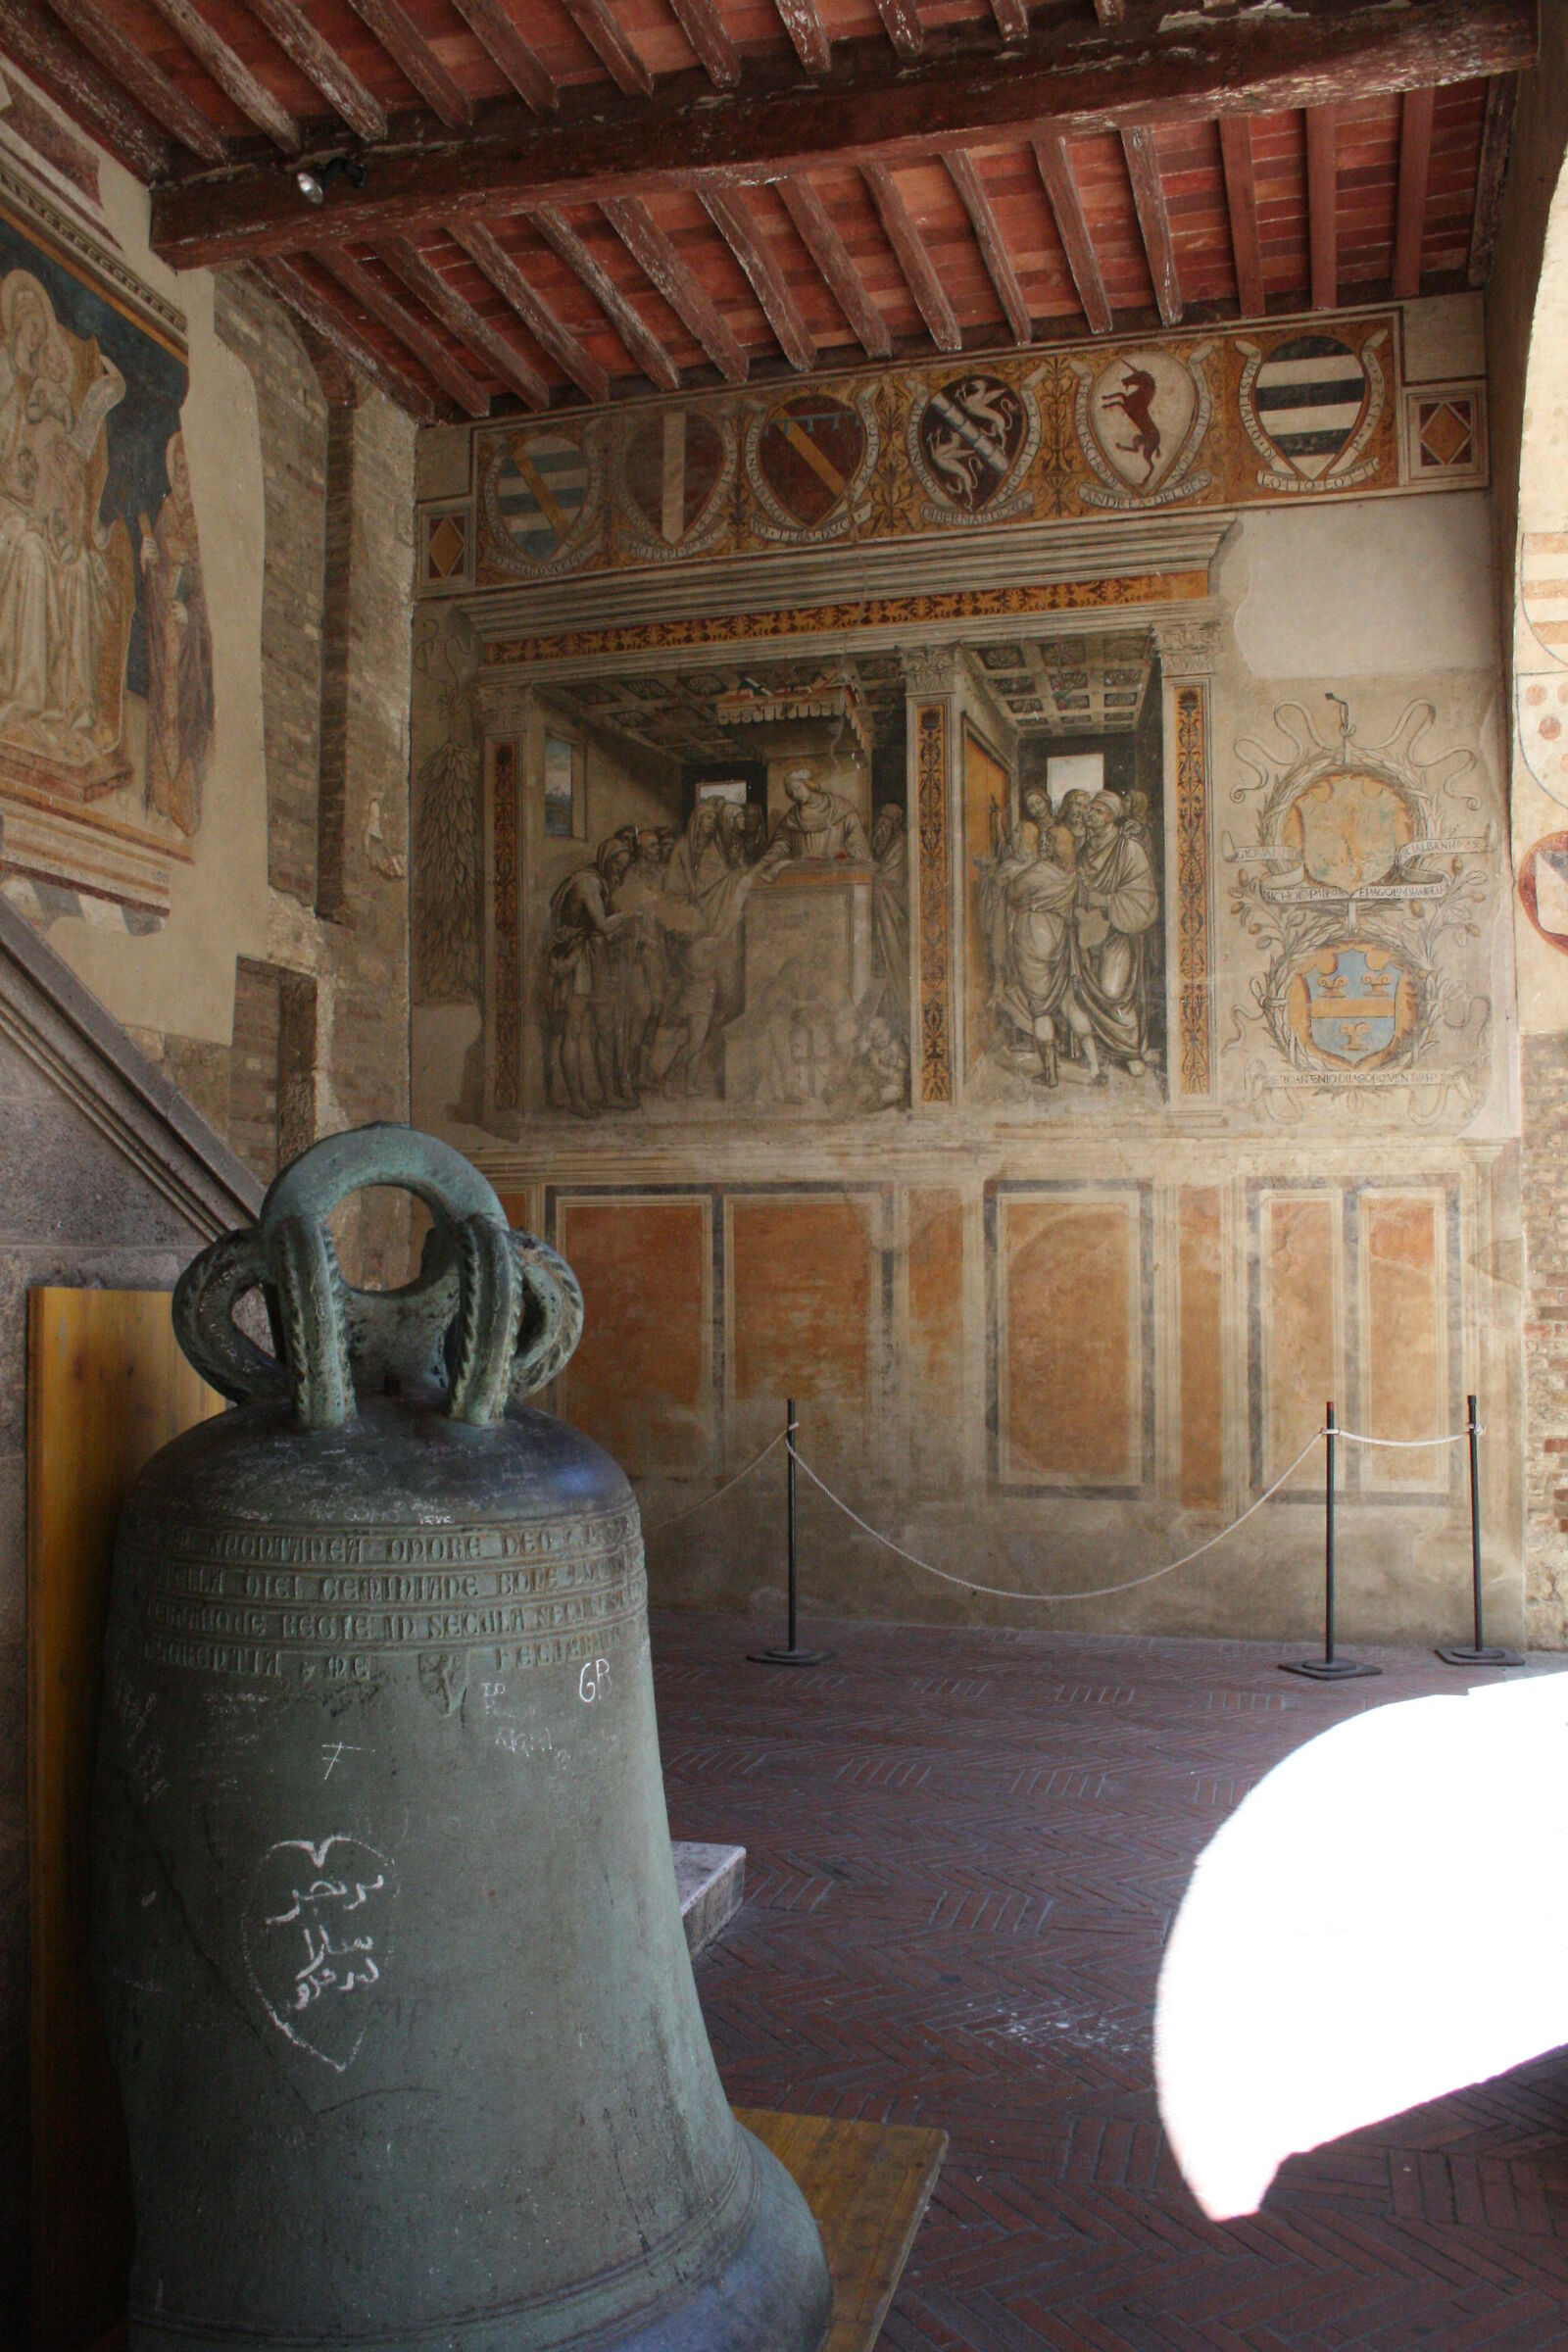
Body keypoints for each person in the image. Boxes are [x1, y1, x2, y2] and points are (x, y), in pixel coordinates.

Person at [140, 430, 213, 835]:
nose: (183, 476)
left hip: (187, 643)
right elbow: (161, 575)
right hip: (164, 635)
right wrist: (149, 562)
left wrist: (193, 612)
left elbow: (211, 593)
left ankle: (184, 800)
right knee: (161, 716)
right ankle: (162, 798)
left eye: (190, 468)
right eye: (179, 468)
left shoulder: (202, 526)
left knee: (184, 719)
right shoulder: (166, 511)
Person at [545, 836, 635, 1116]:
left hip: (587, 958)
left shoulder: (598, 883)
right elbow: (604, 927)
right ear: (606, 861)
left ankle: (592, 1095)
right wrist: (631, 916)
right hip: (576, 960)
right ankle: (576, 1100)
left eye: (624, 868)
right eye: (617, 867)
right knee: (571, 1031)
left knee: (588, 1029)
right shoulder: (589, 884)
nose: (619, 873)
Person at [1073, 792, 1159, 1072]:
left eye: (1097, 810)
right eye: (1091, 810)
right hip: (1089, 931)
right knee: (1087, 985)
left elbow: (1143, 896)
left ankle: (1131, 1051)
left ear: (1111, 815)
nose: (1090, 815)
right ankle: (1106, 1051)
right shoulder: (1084, 851)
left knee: (1113, 990)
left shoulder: (1128, 849)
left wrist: (1106, 901)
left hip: (1118, 930)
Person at [767, 762, 871, 861]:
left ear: (808, 783)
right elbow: (779, 846)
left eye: (796, 788)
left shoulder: (842, 808)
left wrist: (846, 855)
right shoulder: (791, 817)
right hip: (802, 874)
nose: (794, 794)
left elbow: (859, 845)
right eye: (790, 793)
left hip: (838, 872)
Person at [870, 802, 909, 1038]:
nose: (881, 826)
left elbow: (891, 882)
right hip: (884, 915)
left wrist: (873, 876)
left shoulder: (901, 844)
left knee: (896, 963)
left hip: (894, 916)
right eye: (880, 821)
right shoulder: (883, 845)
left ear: (896, 825)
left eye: (886, 822)